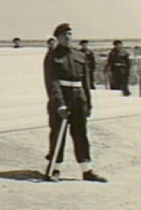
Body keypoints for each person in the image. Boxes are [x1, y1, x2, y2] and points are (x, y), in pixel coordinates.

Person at [43, 23, 107, 183]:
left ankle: (87, 170)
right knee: (58, 135)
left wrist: (88, 103)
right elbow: (52, 81)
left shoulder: (80, 56)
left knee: (81, 134)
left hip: (79, 99)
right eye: (65, 35)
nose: (68, 37)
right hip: (62, 100)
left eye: (70, 34)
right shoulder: (52, 56)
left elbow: (86, 81)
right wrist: (59, 104)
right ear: (57, 37)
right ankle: (54, 169)